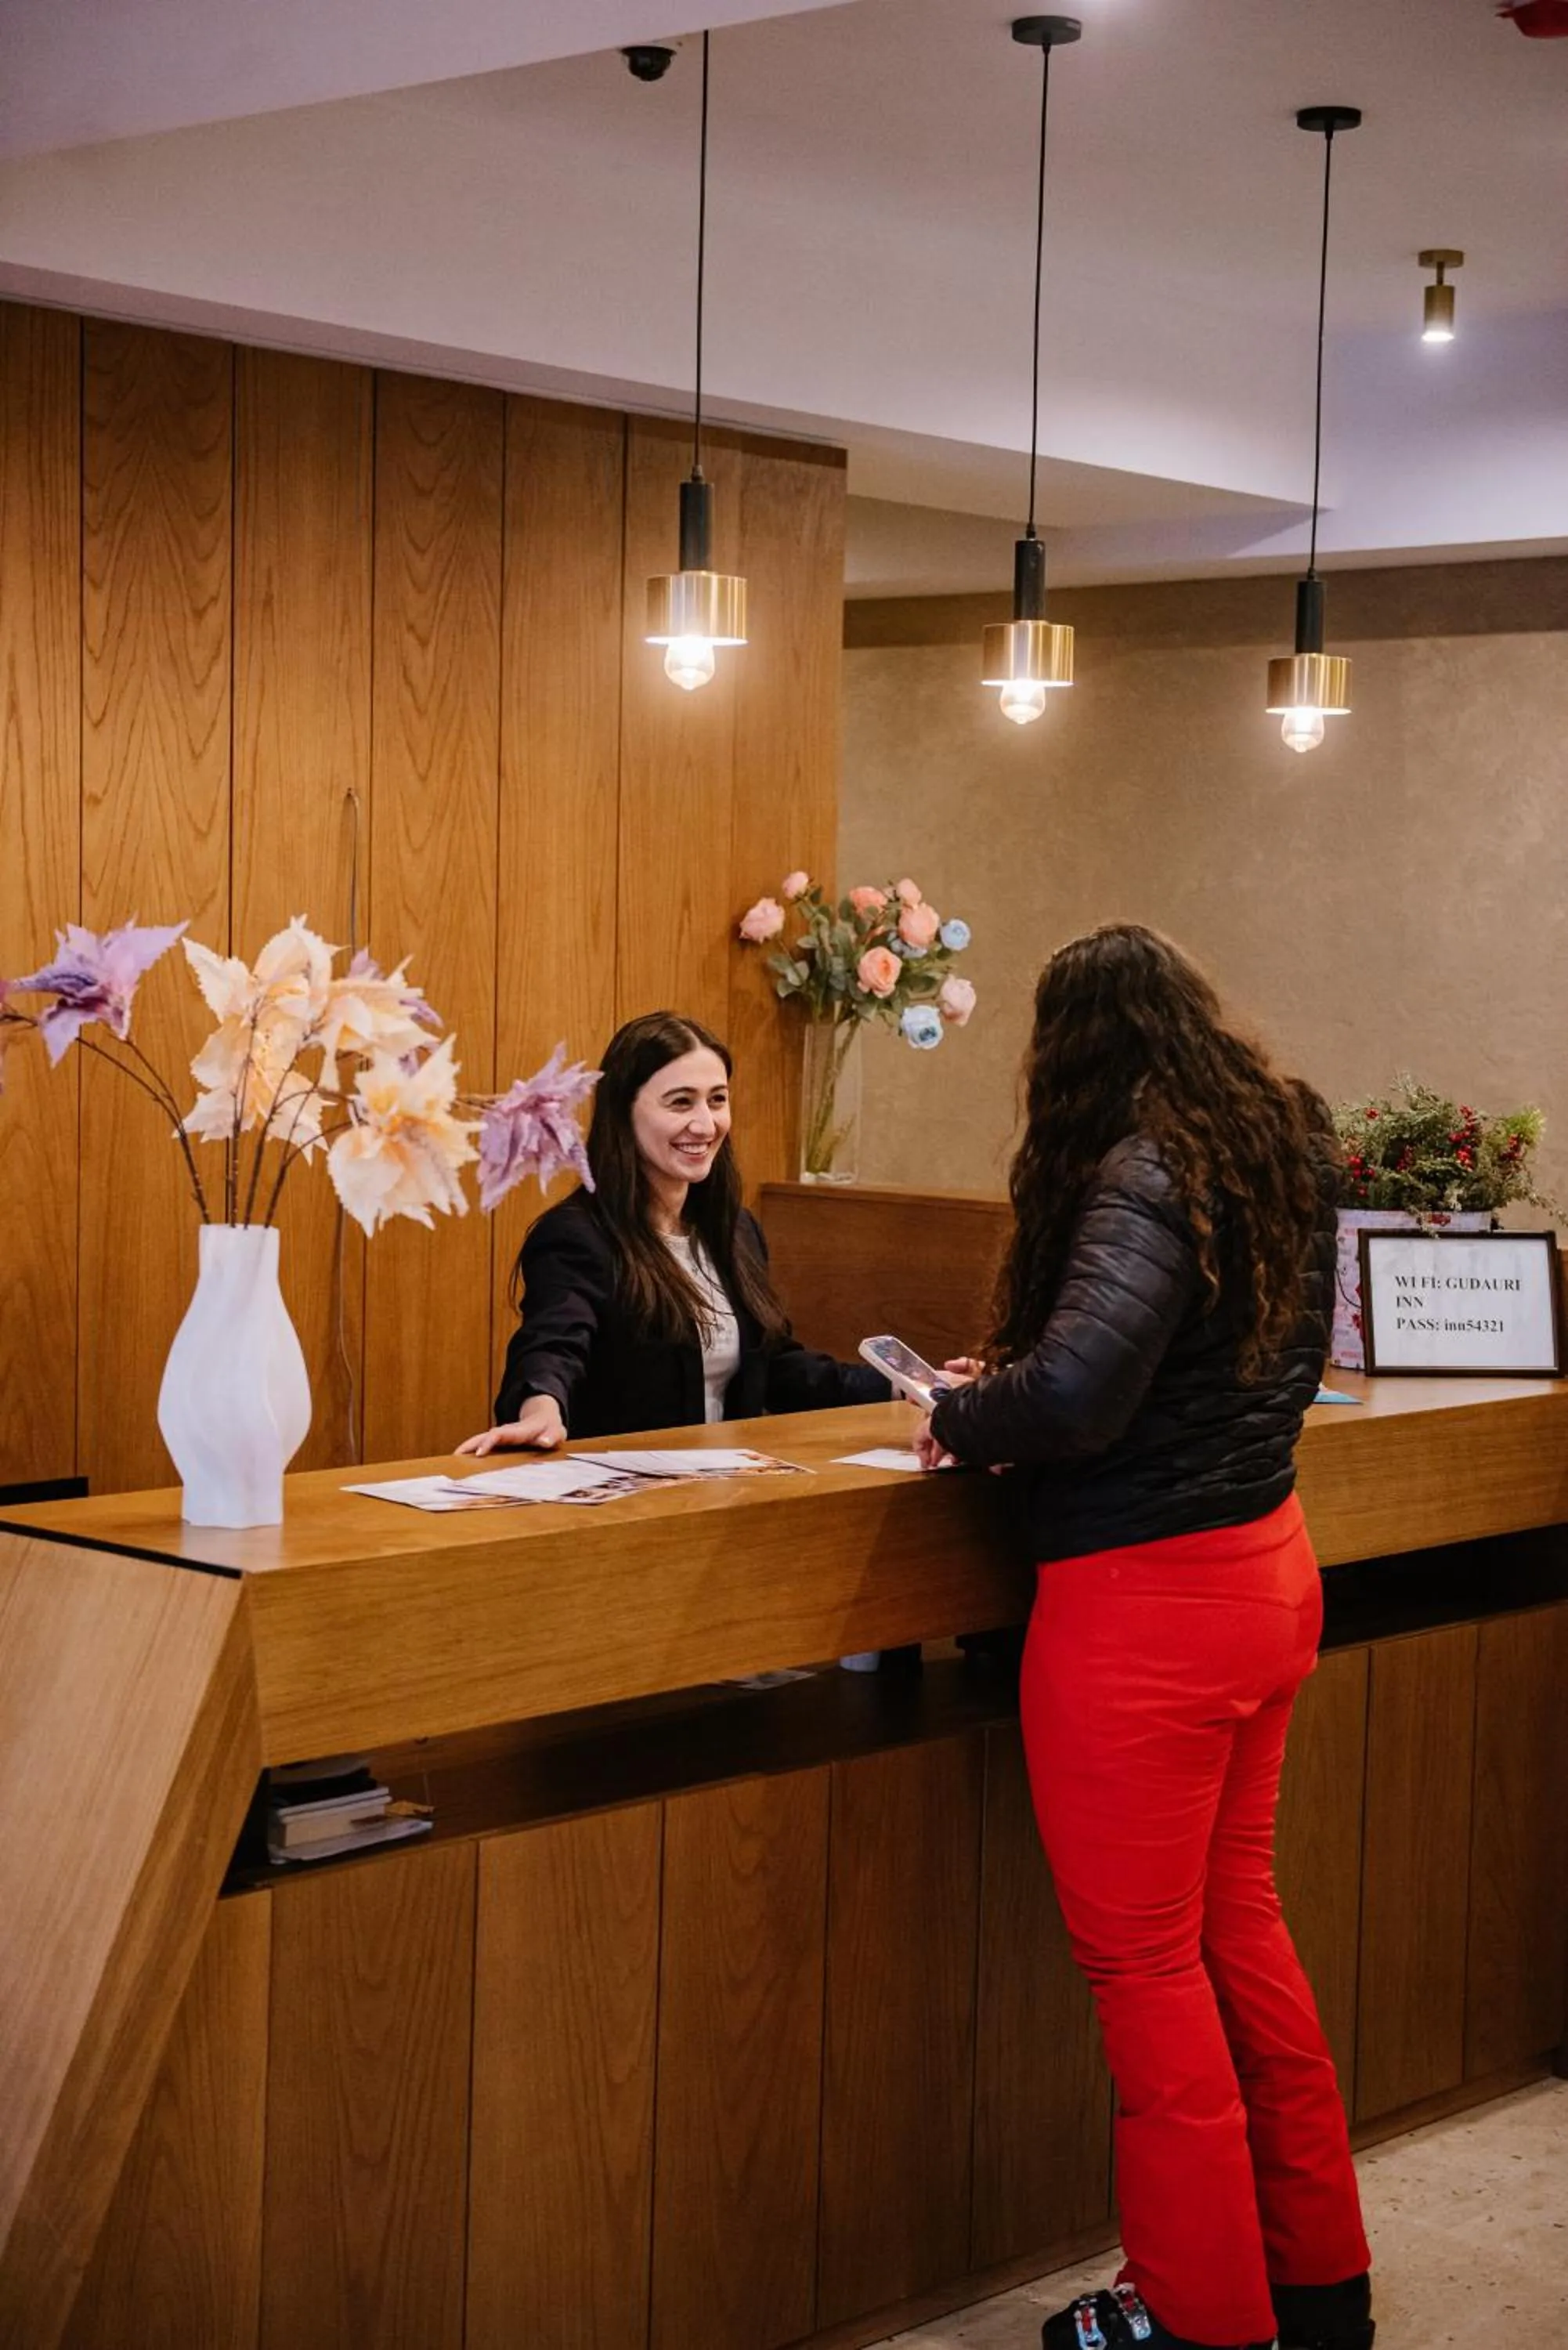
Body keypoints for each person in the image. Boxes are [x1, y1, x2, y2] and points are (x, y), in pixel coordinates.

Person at [915, 926, 1372, 2350]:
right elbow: (1176, 1363)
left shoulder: (1137, 1166)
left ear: (1074, 1050)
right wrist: (1029, 1381)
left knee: (1148, 1973)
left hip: (1146, 1613)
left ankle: (1199, 2316)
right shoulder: (1268, 1143)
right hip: (1265, 1569)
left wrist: (956, 1411)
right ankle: (1315, 2284)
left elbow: (1075, 1402)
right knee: (1239, 1930)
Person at [459, 1009, 888, 1453]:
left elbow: (776, 1369)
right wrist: (540, 1410)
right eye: (681, 1102)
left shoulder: (737, 1230)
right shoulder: (577, 1236)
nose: (705, 1124)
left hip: (730, 1491)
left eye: (717, 1100)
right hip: (628, 1500)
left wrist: (906, 1389)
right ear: (624, 1111)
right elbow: (553, 1346)